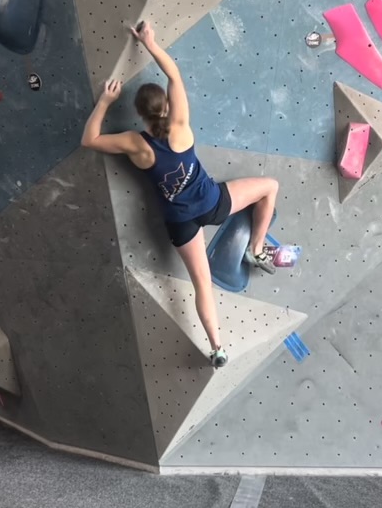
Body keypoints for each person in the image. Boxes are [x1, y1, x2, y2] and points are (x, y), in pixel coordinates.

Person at [81, 21, 279, 369]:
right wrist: (150, 43)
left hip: (181, 224)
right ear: (167, 108)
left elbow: (90, 141)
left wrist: (105, 102)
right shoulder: (181, 126)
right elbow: (174, 76)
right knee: (270, 187)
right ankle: (257, 250)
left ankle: (218, 348)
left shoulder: (135, 143)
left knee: (202, 283)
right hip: (214, 204)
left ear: (140, 116)